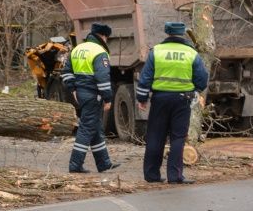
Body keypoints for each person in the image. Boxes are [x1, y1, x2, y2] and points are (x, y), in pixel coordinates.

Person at [136, 21, 209, 184]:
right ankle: (175, 176)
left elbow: (145, 77)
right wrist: (195, 90)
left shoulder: (157, 51)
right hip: (182, 100)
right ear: (182, 33)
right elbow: (202, 79)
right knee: (178, 137)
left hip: (160, 99)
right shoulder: (191, 53)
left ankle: (152, 175)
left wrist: (142, 98)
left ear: (167, 33)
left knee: (155, 136)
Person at [60, 22, 120, 173]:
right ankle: (75, 164)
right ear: (103, 36)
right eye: (107, 37)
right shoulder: (99, 52)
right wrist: (108, 99)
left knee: (95, 128)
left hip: (81, 93)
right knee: (86, 129)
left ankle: (104, 163)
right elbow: (103, 78)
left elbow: (66, 72)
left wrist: (73, 89)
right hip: (94, 95)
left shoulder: (78, 49)